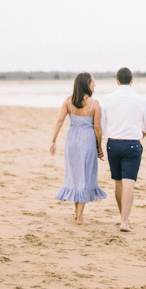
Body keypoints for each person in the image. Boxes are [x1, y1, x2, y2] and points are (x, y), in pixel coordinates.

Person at [50, 72, 107, 225]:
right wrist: (99, 147)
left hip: (72, 140)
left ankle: (76, 213)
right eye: (93, 82)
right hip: (87, 140)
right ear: (86, 85)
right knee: (85, 176)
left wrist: (53, 141)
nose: (95, 85)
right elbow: (97, 128)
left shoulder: (68, 101)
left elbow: (59, 121)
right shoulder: (94, 103)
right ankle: (80, 218)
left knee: (75, 175)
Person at [101, 67, 146, 232]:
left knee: (118, 182)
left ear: (117, 81)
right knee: (129, 183)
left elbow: (102, 128)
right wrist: (140, 135)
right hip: (132, 144)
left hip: (113, 144)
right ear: (132, 80)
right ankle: (124, 222)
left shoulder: (107, 99)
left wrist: (99, 144)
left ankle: (123, 216)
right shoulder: (141, 100)